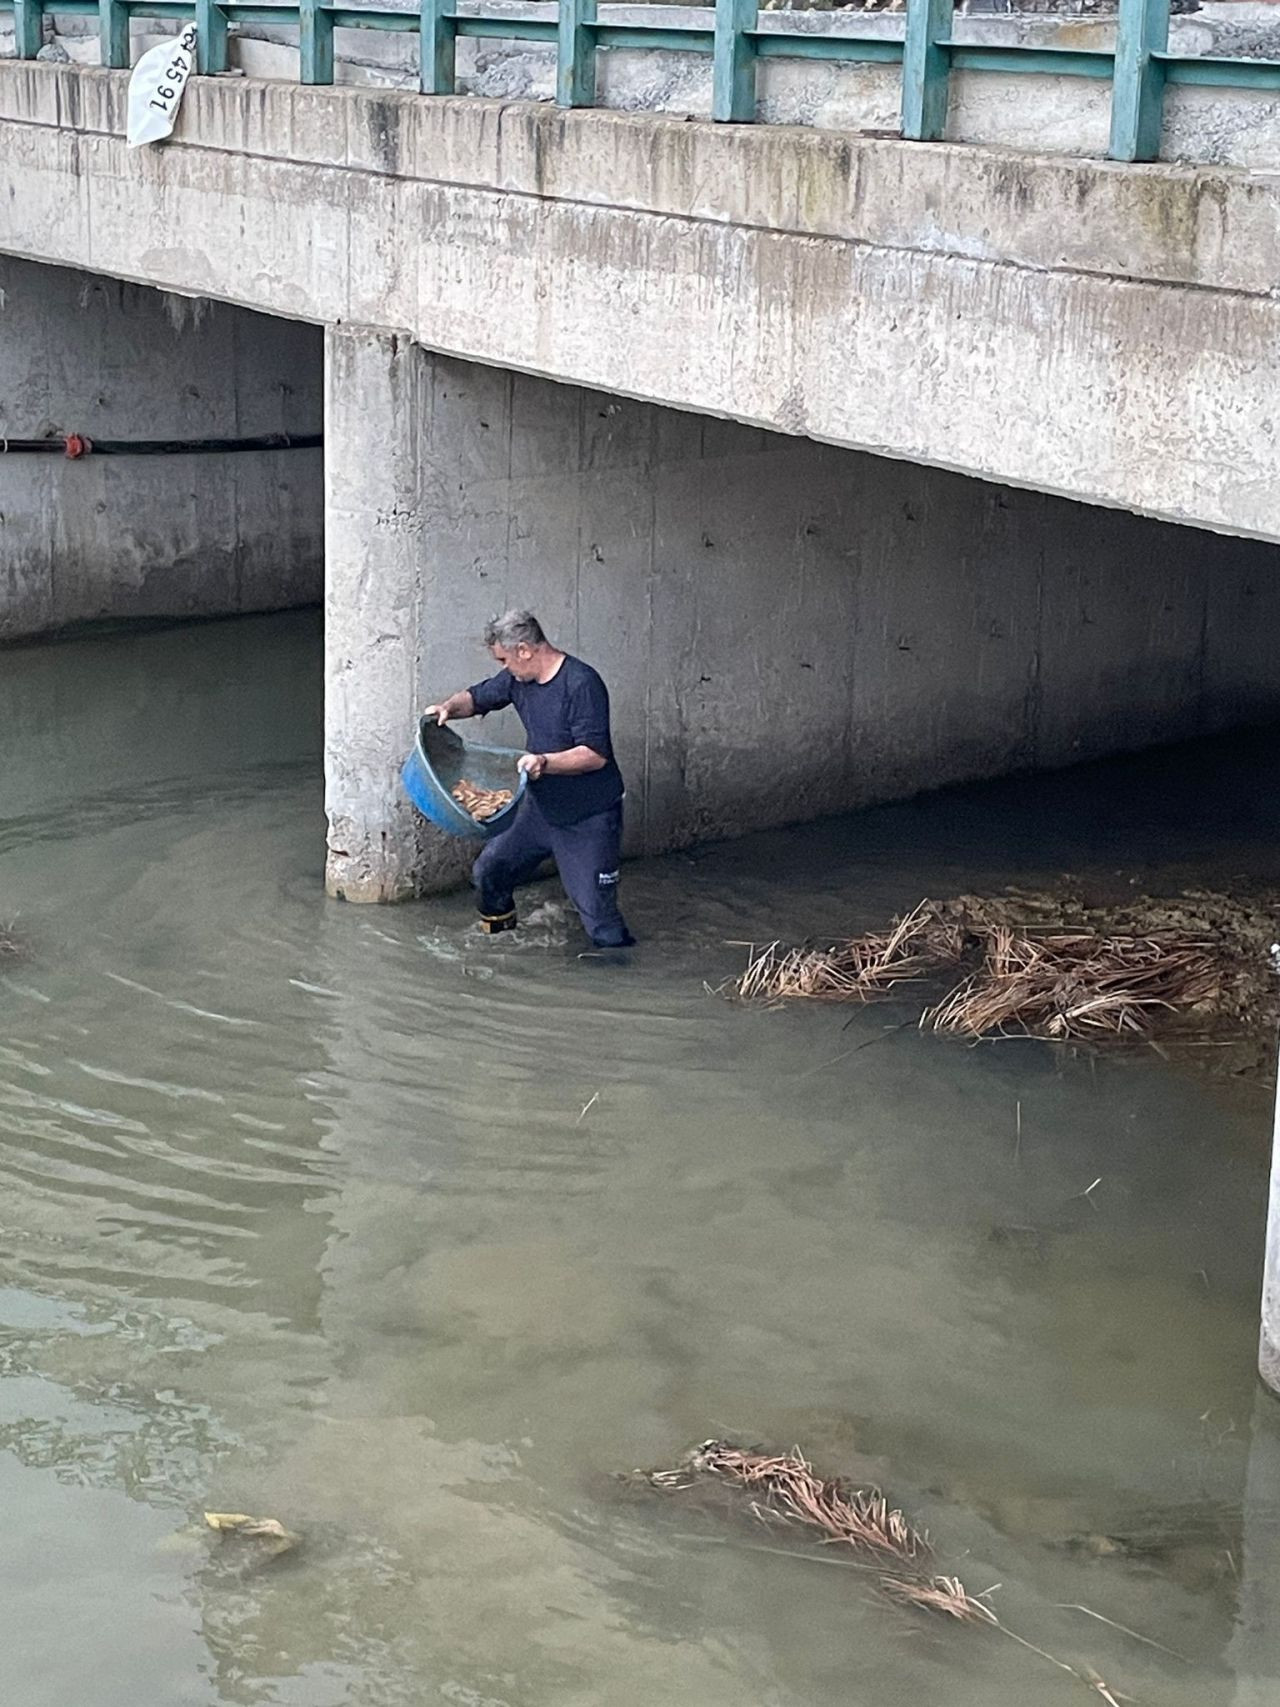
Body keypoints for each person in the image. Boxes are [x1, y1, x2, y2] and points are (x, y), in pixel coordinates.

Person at [425, 610, 636, 949]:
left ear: (524, 650)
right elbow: (478, 698)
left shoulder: (581, 684)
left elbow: (594, 755)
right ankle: (500, 941)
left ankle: (621, 987)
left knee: (601, 924)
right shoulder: (516, 680)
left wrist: (545, 762)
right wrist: (448, 707)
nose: (504, 668)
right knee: (489, 873)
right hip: (539, 810)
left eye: (505, 659)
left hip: (588, 817)